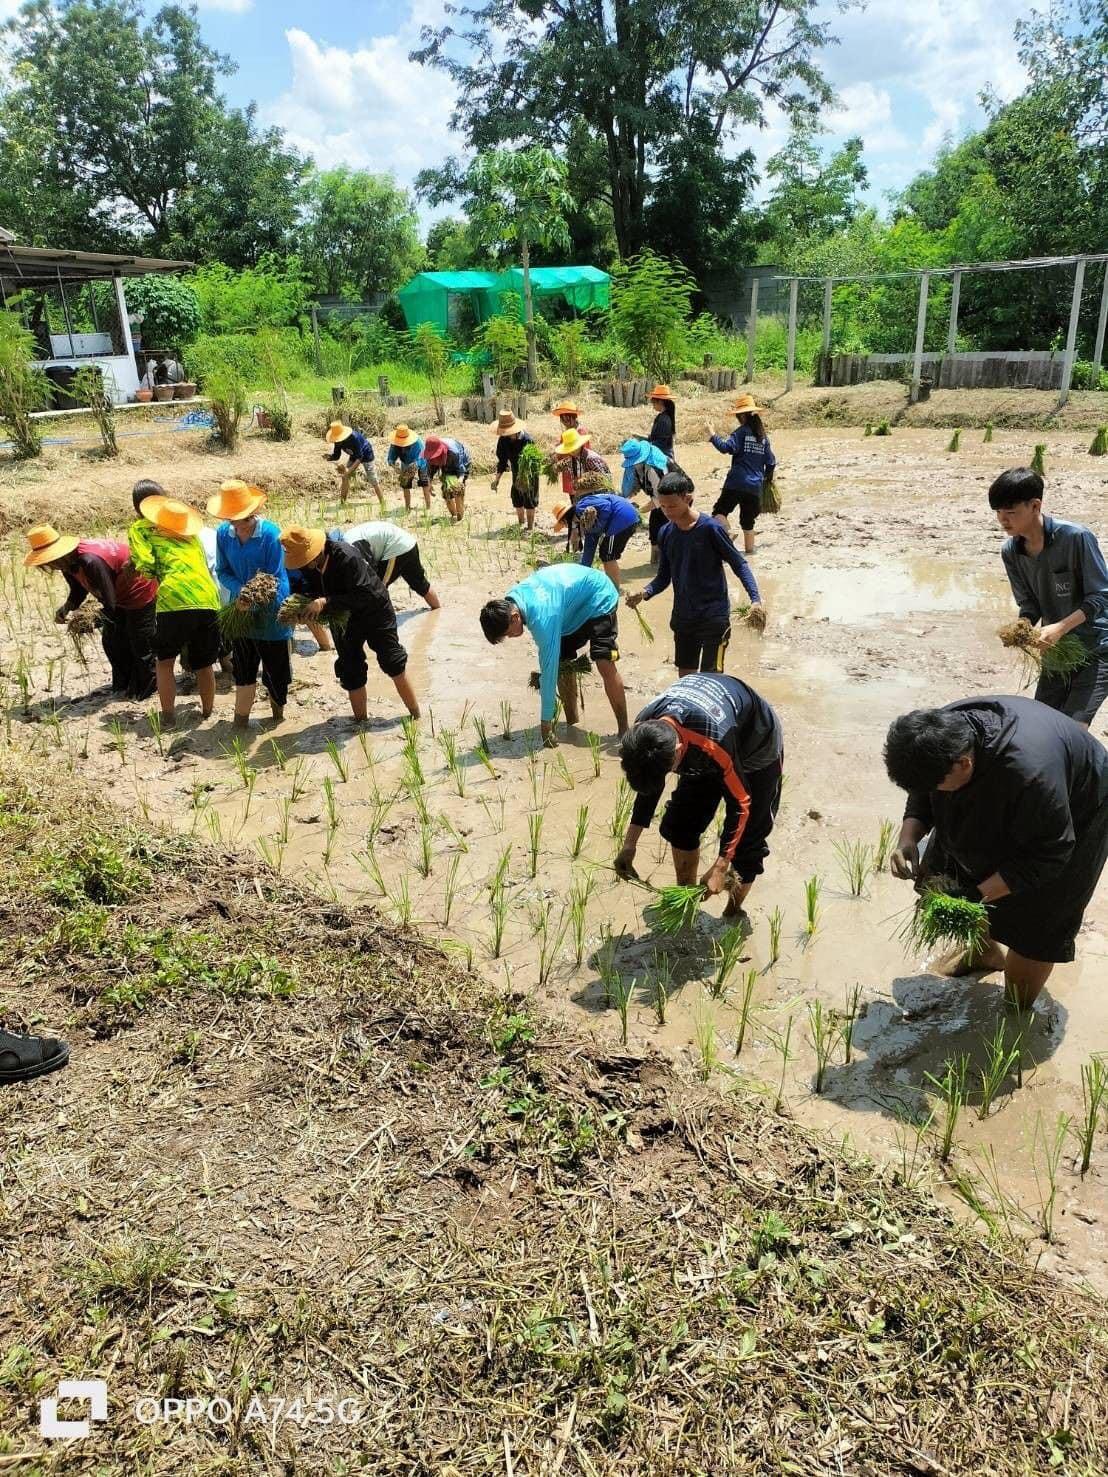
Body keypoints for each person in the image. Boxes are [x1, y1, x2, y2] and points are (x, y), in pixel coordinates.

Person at [885, 696, 1108, 1009]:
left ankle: (1015, 1012)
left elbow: (1051, 852)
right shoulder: (938, 735)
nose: (931, 791)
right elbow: (924, 787)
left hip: (1078, 805)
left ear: (964, 764)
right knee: (956, 867)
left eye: (937, 785)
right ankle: (985, 953)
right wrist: (908, 836)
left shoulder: (1030, 774)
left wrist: (977, 894)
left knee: (1038, 923)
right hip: (1014, 782)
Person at [616, 673, 783, 917]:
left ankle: (732, 914)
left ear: (677, 752)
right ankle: (686, 903)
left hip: (755, 746)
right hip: (701, 740)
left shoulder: (712, 740)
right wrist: (629, 844)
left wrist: (721, 865)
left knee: (748, 844)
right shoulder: (644, 732)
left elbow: (741, 803)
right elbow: (649, 785)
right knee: (680, 825)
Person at [990, 466, 1108, 728]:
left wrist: (1060, 628)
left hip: (1098, 647)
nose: (1002, 519)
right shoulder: (1011, 551)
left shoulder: (1076, 537)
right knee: (1042, 727)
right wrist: (1023, 627)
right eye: (998, 512)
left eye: (1010, 512)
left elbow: (1102, 597)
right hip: (1057, 652)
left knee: (1073, 730)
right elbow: (1029, 604)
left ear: (1035, 505)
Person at [625, 471, 763, 677]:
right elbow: (664, 577)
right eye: (662, 506)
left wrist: (755, 599)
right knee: (686, 680)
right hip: (684, 618)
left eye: (672, 506)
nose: (667, 512)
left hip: (713, 618)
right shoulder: (666, 533)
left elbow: (739, 564)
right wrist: (644, 593)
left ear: (687, 499)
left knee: (711, 679)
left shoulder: (711, 529)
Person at [279, 526, 420, 723]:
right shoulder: (305, 566)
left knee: (392, 661)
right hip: (342, 617)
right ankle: (361, 724)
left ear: (318, 549)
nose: (305, 565)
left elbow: (364, 594)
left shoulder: (345, 556)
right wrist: (303, 610)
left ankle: (416, 715)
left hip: (374, 610)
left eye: (307, 559)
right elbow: (307, 590)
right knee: (350, 668)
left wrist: (325, 602)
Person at [479, 563, 628, 746]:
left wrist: (545, 724)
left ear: (515, 617)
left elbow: (548, 673)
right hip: (570, 612)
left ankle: (624, 730)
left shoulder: (543, 618)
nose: (510, 637)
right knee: (562, 660)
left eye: (508, 633)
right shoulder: (513, 599)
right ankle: (573, 721)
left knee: (603, 661)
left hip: (599, 596)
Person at [25, 525, 157, 699]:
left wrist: (91, 621)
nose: (49, 565)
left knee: (139, 640)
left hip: (138, 589)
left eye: (48, 561)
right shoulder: (68, 563)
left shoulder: (90, 561)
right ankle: (123, 685)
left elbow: (110, 603)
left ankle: (148, 686)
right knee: (112, 641)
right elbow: (79, 590)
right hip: (117, 595)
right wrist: (67, 607)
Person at [128, 490, 220, 728]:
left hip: (174, 600)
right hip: (208, 598)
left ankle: (168, 717)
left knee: (165, 661)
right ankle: (207, 712)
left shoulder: (141, 529)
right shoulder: (192, 536)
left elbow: (146, 566)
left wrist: (143, 570)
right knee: (204, 663)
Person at [209, 480, 291, 729]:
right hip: (240, 611)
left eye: (240, 518)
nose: (235, 524)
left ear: (251, 514)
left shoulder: (270, 534)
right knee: (243, 670)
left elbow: (273, 578)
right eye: (230, 518)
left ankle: (278, 716)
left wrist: (252, 600)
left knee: (276, 673)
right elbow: (223, 571)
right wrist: (241, 593)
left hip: (272, 611)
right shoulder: (224, 534)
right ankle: (240, 723)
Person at [708, 395, 777, 555]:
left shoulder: (741, 433)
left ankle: (728, 534)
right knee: (748, 523)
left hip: (736, 483)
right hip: (755, 487)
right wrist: (767, 480)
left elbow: (726, 448)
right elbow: (771, 462)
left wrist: (712, 435)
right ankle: (750, 554)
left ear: (742, 415)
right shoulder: (763, 438)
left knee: (719, 512)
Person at [333, 520, 440, 609]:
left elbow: (370, 571)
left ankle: (380, 624)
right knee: (421, 584)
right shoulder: (348, 539)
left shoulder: (352, 545)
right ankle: (437, 610)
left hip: (395, 549)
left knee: (377, 590)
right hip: (407, 542)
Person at [569, 487, 642, 589]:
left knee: (608, 556)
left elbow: (606, 507)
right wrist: (582, 572)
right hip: (626, 516)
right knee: (605, 553)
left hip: (623, 518)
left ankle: (614, 591)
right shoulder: (585, 520)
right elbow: (589, 551)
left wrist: (598, 527)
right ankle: (611, 588)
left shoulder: (581, 509)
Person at [621, 436, 676, 565]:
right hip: (661, 499)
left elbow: (659, 499)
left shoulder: (653, 469)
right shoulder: (640, 466)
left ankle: (669, 565)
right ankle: (655, 564)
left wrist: (639, 511)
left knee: (670, 533)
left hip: (676, 498)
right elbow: (637, 486)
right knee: (654, 533)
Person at [491, 411, 539, 531]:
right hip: (516, 472)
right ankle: (520, 523)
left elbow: (533, 463)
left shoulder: (527, 440)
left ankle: (529, 527)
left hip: (529, 474)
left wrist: (524, 477)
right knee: (516, 497)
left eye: (509, 432)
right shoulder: (503, 440)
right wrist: (497, 480)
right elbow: (502, 462)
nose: (507, 434)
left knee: (529, 498)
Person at [324, 421, 385, 511]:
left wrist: (348, 471)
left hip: (366, 453)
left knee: (373, 479)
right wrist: (328, 458)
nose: (337, 441)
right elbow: (337, 456)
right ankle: (342, 502)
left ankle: (383, 503)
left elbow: (360, 458)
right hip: (354, 455)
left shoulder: (354, 438)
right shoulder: (337, 440)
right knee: (344, 477)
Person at [552, 428, 609, 500]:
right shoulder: (572, 459)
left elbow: (604, 481)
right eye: (569, 449)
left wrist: (585, 490)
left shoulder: (591, 458)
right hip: (585, 497)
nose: (572, 451)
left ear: (579, 445)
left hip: (599, 497)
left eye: (573, 448)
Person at [386, 424, 432, 513]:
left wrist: (414, 466)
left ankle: (428, 507)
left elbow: (422, 457)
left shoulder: (417, 443)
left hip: (421, 462)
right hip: (405, 463)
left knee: (424, 483)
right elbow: (390, 458)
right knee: (405, 484)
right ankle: (407, 507)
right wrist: (394, 466)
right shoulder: (394, 445)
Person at [423, 435, 470, 522]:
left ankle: (460, 516)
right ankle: (453, 514)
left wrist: (458, 484)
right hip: (446, 464)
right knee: (446, 492)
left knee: (458, 492)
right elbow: (430, 471)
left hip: (462, 461)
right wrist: (429, 484)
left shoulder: (454, 453)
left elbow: (461, 472)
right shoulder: (431, 456)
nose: (433, 459)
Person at [552, 399, 587, 501]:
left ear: (574, 418)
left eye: (567, 420)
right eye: (563, 420)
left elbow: (585, 454)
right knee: (573, 500)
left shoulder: (581, 432)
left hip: (580, 473)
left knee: (582, 501)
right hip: (570, 472)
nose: (565, 423)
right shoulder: (566, 434)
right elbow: (562, 451)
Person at [647, 385, 676, 458]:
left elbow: (661, 443)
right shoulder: (661, 417)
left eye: (654, 403)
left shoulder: (664, 420)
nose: (653, 406)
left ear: (660, 402)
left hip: (663, 456)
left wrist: (647, 445)